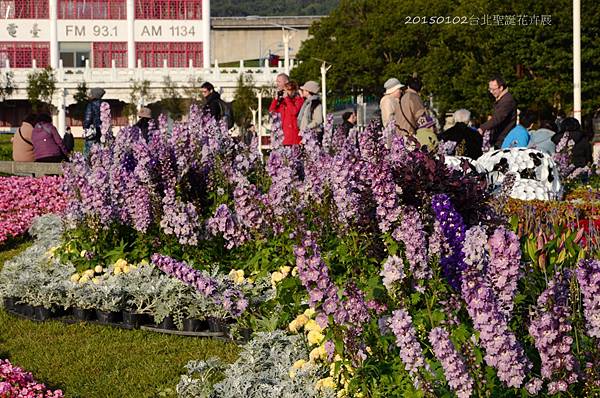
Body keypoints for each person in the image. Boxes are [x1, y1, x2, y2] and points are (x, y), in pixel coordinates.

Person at [478, 75, 517, 148]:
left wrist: (482, 128)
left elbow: (498, 118)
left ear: (501, 88)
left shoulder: (507, 101)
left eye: (493, 89)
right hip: (499, 139)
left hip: (503, 140)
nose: (491, 92)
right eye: (490, 89)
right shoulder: (501, 100)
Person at [269, 80, 304, 145]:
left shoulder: (298, 100)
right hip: (284, 136)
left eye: (289, 90)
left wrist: (287, 99)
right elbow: (272, 111)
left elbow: (294, 111)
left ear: (294, 91)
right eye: (285, 90)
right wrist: (275, 100)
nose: (287, 92)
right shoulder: (283, 102)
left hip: (294, 137)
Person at [379, 77, 404, 147]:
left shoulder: (394, 100)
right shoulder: (387, 100)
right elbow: (388, 120)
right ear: (394, 90)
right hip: (392, 135)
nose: (401, 91)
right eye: (399, 89)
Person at [83, 87, 105, 155]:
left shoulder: (91, 105)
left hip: (92, 132)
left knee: (88, 154)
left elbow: (88, 119)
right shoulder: (104, 105)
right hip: (101, 132)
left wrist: (85, 126)